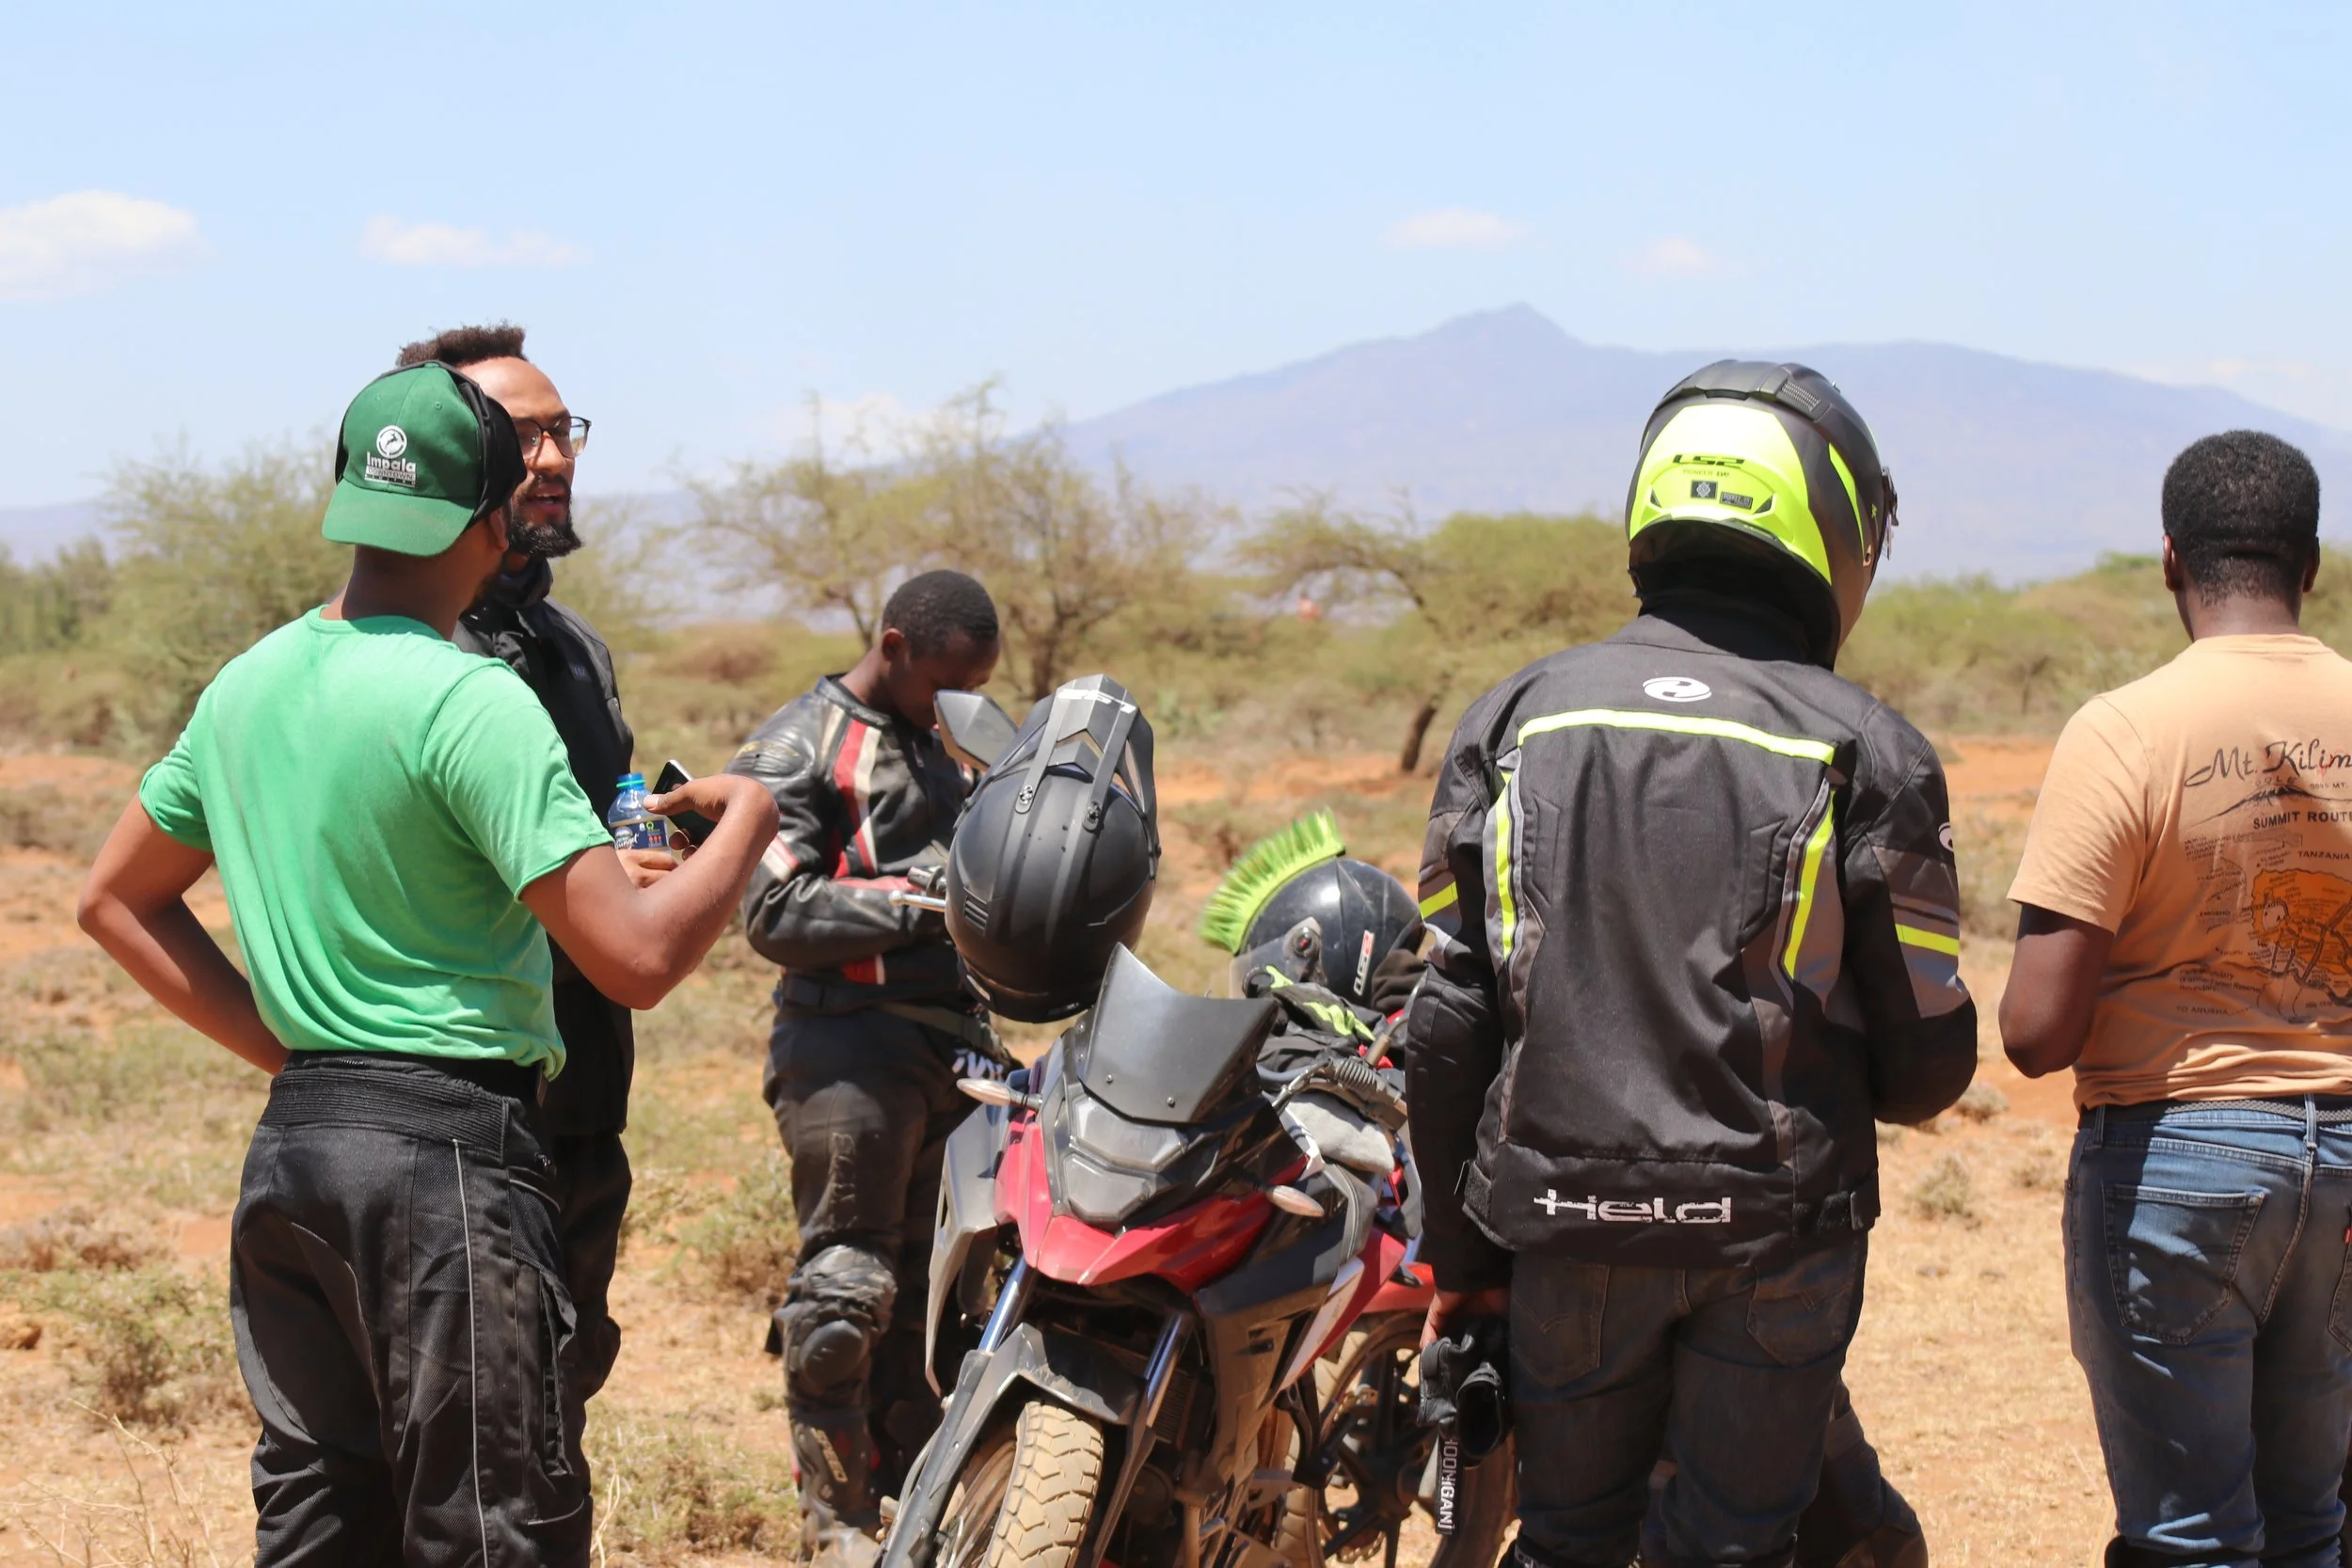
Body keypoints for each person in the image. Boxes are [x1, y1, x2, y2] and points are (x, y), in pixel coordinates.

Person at [76, 361, 778, 1566]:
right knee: (490, 1523)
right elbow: (638, 959)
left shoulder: (246, 685)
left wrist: (300, 1057)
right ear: (496, 518)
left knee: (320, 1519)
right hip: (448, 1165)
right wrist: (751, 821)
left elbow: (114, 900)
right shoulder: (474, 700)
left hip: (295, 1157)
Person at [1407, 361, 1978, 1568]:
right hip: (1774, 1232)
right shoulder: (1866, 747)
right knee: (1733, 1547)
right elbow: (1927, 1064)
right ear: (1835, 533)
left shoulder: (1512, 719)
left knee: (1564, 1540)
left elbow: (1448, 1021)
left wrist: (1460, 1260)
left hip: (1564, 1228)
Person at [2002, 430, 2352, 1568]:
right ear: (2311, 565)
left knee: (2192, 1536)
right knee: (2313, 1522)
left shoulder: (2125, 728)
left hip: (2178, 1162)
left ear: (2168, 560)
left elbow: (2036, 1032)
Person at [399, 323, 649, 1482]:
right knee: (457, 1422)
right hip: (459, 1103)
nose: (553, 459)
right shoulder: (411, 651)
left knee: (555, 1399)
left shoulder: (574, 648)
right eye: (520, 435)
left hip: (584, 1092)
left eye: (563, 431)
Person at [723, 570, 1002, 1564]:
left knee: (947, 1303)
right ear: (892, 646)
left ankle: (921, 1514)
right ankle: (836, 1522)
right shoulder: (798, 745)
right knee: (845, 1295)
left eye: (974, 688)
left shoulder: (950, 746)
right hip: (846, 1047)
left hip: (956, 1053)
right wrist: (915, 897)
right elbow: (770, 910)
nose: (956, 704)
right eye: (944, 683)